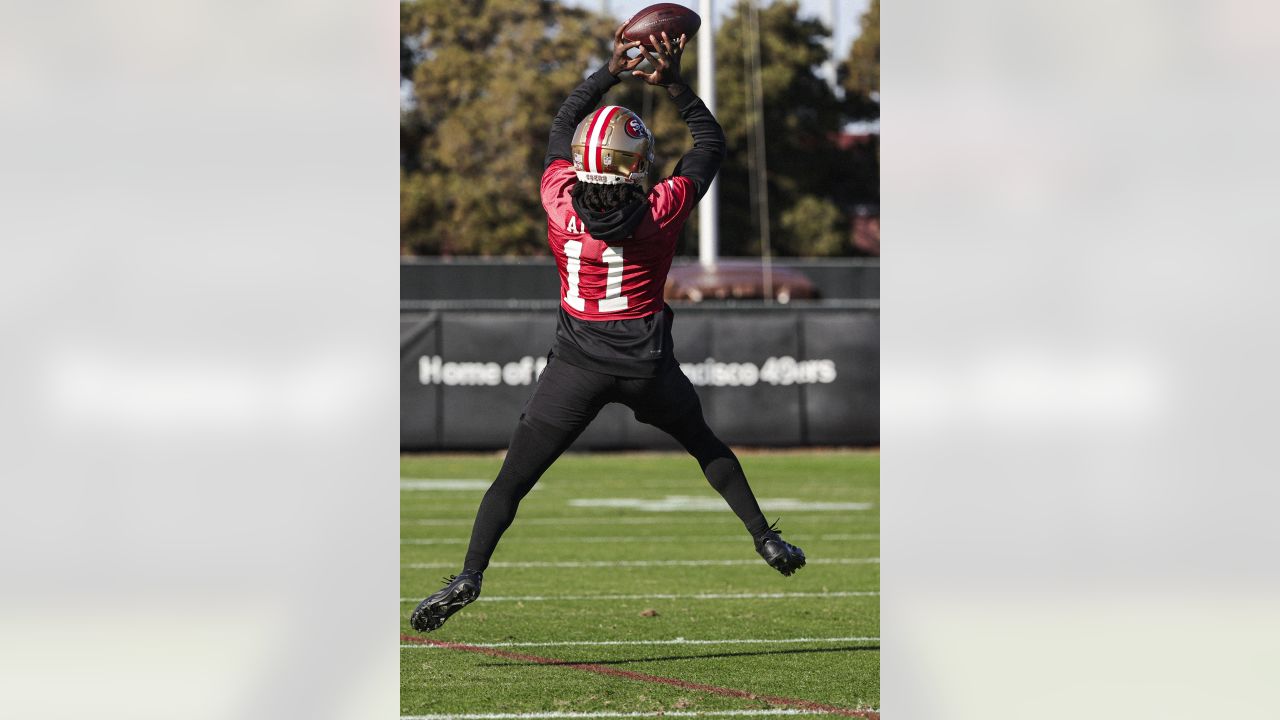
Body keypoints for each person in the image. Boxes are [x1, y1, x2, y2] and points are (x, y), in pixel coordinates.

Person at [410, 27, 805, 634]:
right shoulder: (661, 209)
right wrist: (670, 80)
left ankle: (469, 575)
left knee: (512, 481)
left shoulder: (559, 203)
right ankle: (765, 539)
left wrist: (608, 72)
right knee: (706, 446)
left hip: (576, 368)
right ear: (636, 166)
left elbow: (559, 128)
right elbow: (709, 142)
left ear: (580, 166)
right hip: (647, 368)